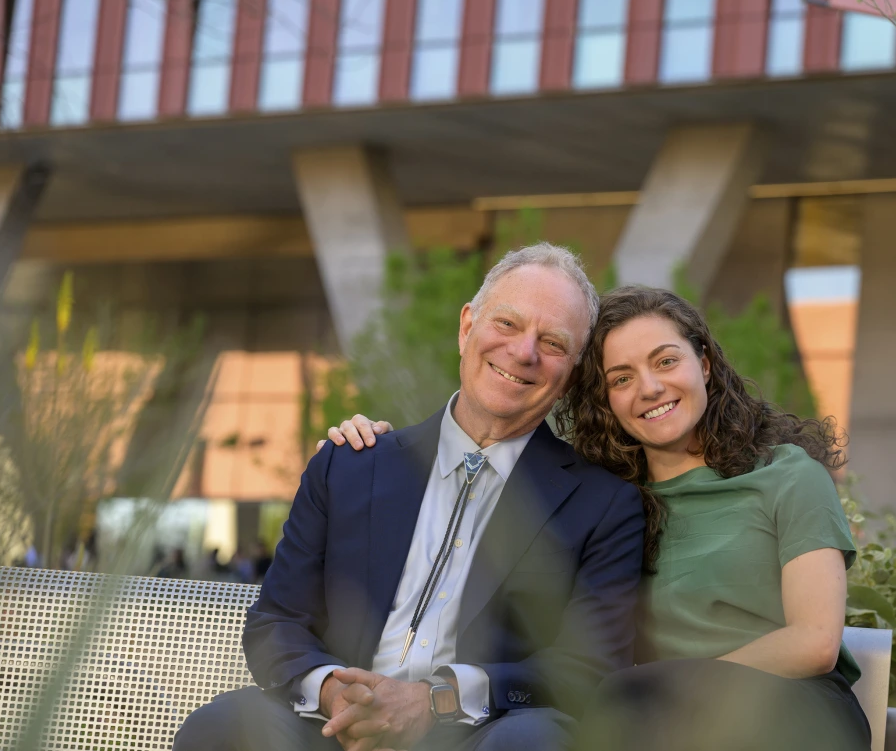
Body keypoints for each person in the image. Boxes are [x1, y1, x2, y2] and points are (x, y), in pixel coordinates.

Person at [329, 285, 870, 751]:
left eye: (665, 361)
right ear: (605, 400)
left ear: (703, 363)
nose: (650, 389)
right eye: (621, 378)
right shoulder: (603, 505)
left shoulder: (785, 476)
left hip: (792, 712)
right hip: (656, 721)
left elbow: (815, 642)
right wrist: (379, 448)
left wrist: (673, 686)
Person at [172, 244, 645, 751]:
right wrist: (335, 694)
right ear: (467, 327)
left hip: (477, 735)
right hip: (330, 729)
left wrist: (434, 700)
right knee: (220, 727)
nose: (524, 352)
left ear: (572, 372)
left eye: (552, 342)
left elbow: (584, 669)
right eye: (507, 324)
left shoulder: (604, 504)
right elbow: (277, 622)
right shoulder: (350, 463)